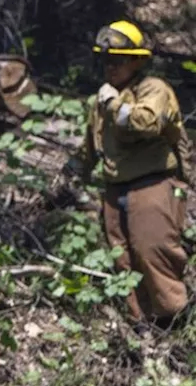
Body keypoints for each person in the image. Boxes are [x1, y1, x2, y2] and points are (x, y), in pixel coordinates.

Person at [68, 20, 192, 329]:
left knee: (153, 251)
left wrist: (114, 103)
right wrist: (73, 174)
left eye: (119, 60)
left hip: (153, 185)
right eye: (106, 60)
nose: (110, 67)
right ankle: (139, 326)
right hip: (114, 190)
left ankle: (175, 322)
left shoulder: (154, 90)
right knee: (122, 260)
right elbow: (92, 143)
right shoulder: (105, 98)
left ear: (137, 60)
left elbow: (145, 123)